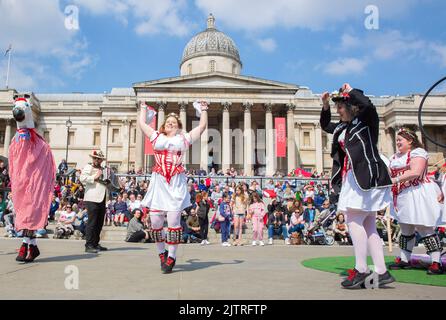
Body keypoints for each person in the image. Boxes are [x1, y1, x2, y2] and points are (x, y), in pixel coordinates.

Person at [320, 83, 395, 288]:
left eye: (340, 107)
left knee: (353, 221)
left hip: (367, 176)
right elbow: (325, 125)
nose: (338, 110)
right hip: (355, 178)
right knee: (369, 224)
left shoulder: (366, 122)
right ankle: (381, 270)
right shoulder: (343, 127)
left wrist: (351, 90)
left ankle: (361, 269)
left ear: (351, 106)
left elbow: (368, 106)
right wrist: (325, 105)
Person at [139, 100, 208, 273]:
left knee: (173, 222)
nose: (171, 123)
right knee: (155, 220)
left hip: (176, 182)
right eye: (168, 122)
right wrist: (142, 108)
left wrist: (204, 110)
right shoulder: (156, 136)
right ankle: (161, 253)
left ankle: (171, 257)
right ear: (164, 125)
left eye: (174, 122)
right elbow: (141, 124)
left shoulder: (183, 139)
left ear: (178, 127)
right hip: (159, 181)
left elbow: (202, 127)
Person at [388, 128, 446, 274]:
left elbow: (416, 172)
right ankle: (404, 259)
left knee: (424, 227)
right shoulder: (395, 157)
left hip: (417, 192)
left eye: (400, 139)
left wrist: (394, 179)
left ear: (410, 141)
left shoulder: (417, 152)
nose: (398, 142)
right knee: (405, 227)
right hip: (402, 194)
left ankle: (435, 262)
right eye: (397, 140)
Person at [10, 96, 56, 263]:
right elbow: (14, 162)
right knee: (24, 212)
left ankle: (26, 245)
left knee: (30, 212)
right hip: (22, 183)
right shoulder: (17, 140)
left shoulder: (40, 144)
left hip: (35, 184)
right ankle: (31, 246)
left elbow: (44, 164)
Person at [80, 150, 108, 253]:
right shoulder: (88, 167)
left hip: (102, 197)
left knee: (99, 222)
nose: (96, 160)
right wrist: (94, 177)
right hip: (91, 197)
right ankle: (89, 245)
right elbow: (82, 178)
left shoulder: (104, 169)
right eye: (95, 158)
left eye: (98, 158)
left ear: (101, 160)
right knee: (92, 222)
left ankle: (95, 243)